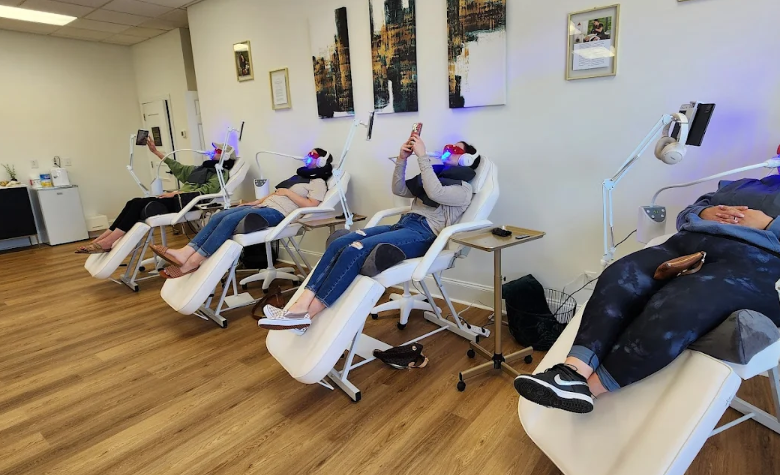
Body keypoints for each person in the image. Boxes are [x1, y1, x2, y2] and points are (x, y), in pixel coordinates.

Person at [515, 127, 780, 413]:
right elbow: (691, 213)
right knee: (619, 276)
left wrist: (771, 224)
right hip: (689, 247)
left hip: (758, 265)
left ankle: (593, 389)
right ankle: (570, 373)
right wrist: (703, 215)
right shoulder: (744, 185)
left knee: (681, 301)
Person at [260, 135, 481, 332]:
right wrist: (402, 159)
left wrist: (422, 157)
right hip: (403, 225)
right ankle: (299, 305)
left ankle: (307, 315)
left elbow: (436, 192)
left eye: (455, 150)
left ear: (467, 160)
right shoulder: (433, 177)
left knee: (356, 250)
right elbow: (399, 189)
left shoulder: (463, 190)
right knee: (342, 242)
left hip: (425, 233)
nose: (447, 151)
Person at [152, 149, 332, 278]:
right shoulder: (296, 178)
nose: (307, 157)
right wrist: (255, 202)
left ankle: (192, 263)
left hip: (279, 214)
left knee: (230, 219)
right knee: (219, 215)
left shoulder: (318, 182)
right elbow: (276, 193)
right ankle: (184, 252)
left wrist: (288, 193)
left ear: (322, 162)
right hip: (265, 207)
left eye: (313, 155)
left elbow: (312, 204)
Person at [75, 137, 234, 254]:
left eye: (218, 151)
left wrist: (175, 193)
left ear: (225, 156)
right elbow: (177, 167)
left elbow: (207, 190)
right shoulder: (201, 168)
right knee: (134, 202)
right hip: (176, 198)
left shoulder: (221, 173)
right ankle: (103, 239)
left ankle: (108, 242)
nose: (213, 152)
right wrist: (156, 152)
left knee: (139, 204)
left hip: (186, 202)